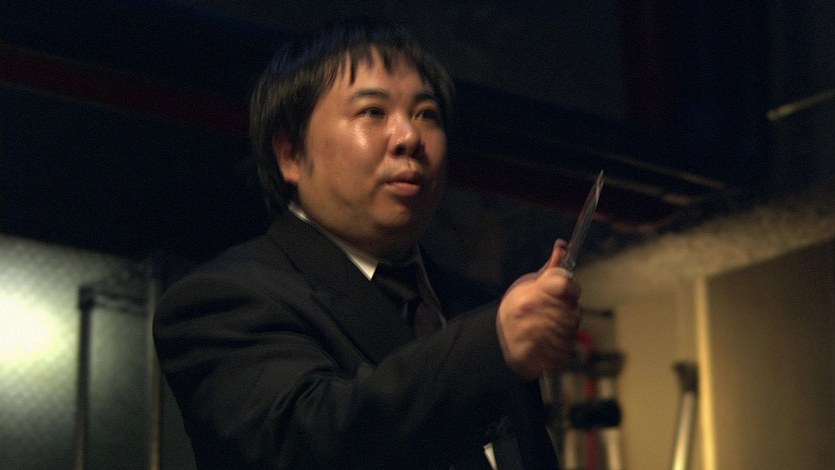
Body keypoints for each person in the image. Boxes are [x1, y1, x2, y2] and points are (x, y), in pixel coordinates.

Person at [154, 18, 582, 470]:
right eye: (373, 112)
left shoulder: (471, 304)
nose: (410, 138)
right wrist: (493, 344)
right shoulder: (220, 301)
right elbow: (306, 440)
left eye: (426, 114)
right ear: (291, 154)